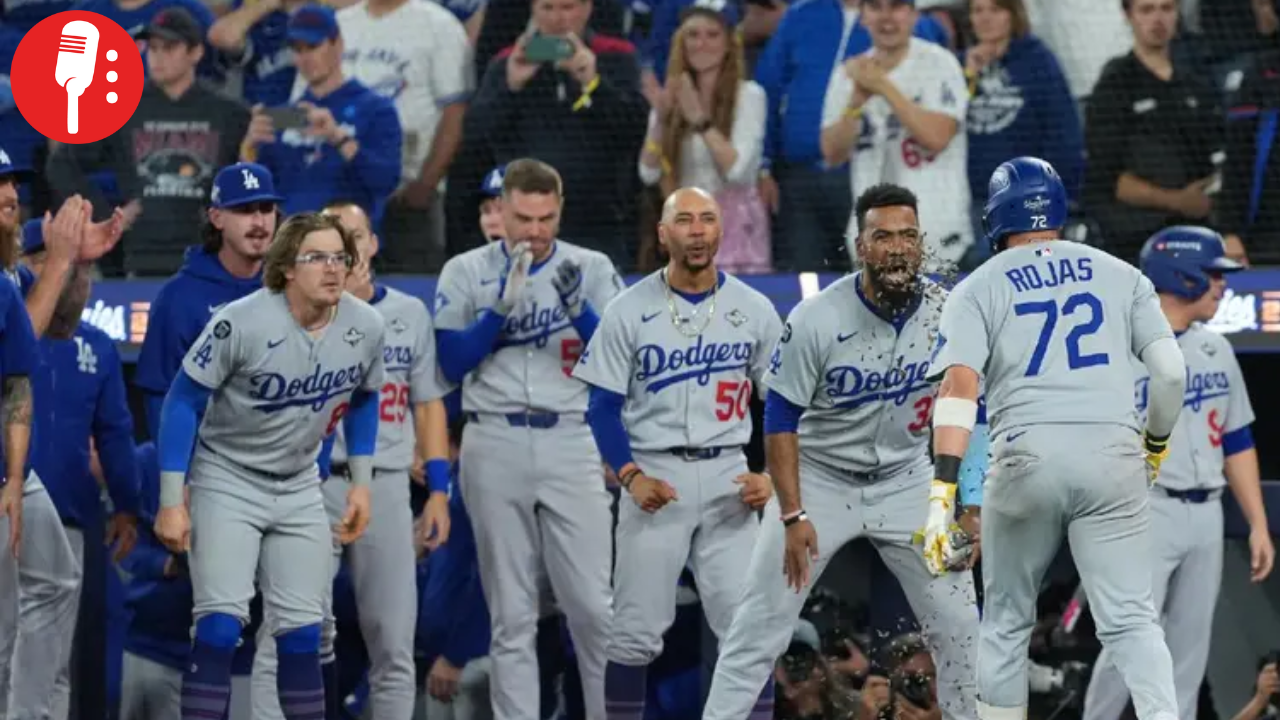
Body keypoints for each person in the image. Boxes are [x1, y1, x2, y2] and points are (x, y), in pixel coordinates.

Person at [698, 183, 981, 720]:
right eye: (883, 236)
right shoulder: (816, 318)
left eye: (907, 235)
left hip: (906, 481)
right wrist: (792, 512)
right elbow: (779, 419)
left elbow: (972, 408)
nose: (897, 247)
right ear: (860, 246)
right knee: (757, 631)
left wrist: (972, 506)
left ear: (920, 243)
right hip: (820, 482)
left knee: (962, 626)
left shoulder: (950, 311)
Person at [922, 156, 1186, 720]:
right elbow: (1170, 374)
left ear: (995, 217)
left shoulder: (977, 286)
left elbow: (959, 390)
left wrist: (943, 491)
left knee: (1006, 621)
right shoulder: (1122, 274)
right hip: (1113, 456)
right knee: (1133, 620)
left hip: (1025, 457)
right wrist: (1155, 446)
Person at [152, 212, 387, 720]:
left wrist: (362, 486)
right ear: (286, 269)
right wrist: (172, 499)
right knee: (218, 627)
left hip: (300, 480)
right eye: (317, 258)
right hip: (227, 476)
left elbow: (366, 397)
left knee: (303, 634)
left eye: (340, 258)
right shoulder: (241, 320)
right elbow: (181, 401)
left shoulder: (365, 324)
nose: (333, 269)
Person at [573, 187, 781, 720]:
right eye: (684, 220)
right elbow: (601, 407)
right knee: (634, 634)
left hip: (730, 477)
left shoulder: (754, 309)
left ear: (720, 229)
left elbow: (783, 405)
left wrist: (771, 478)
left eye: (707, 219)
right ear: (663, 233)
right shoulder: (629, 308)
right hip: (654, 475)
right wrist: (629, 474)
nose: (697, 230)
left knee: (746, 632)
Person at [432, 158, 624, 720]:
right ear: (501, 211)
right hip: (493, 439)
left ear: (559, 210)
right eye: (524, 217)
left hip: (570, 437)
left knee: (592, 607)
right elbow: (451, 361)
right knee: (511, 614)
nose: (536, 230)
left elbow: (622, 363)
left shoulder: (590, 267)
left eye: (547, 217)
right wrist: (498, 312)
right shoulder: (465, 271)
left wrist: (582, 314)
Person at [251, 199, 454, 720]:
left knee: (393, 642)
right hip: (311, 485)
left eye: (355, 238)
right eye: (332, 243)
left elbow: (428, 405)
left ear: (372, 243)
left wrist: (437, 490)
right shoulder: (295, 309)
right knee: (294, 629)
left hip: (385, 485)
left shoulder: (409, 312)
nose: (347, 251)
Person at [1082, 226, 1275, 720]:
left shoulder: (1217, 349)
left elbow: (1237, 441)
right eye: (1214, 275)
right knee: (1128, 643)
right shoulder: (1121, 348)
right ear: (1182, 274)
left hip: (1206, 513)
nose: (1222, 285)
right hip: (1147, 511)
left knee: (1189, 652)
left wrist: (1256, 523)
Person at [19, 219, 142, 720]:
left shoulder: (97, 345)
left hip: (68, 521)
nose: (78, 279)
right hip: (8, 515)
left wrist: (128, 505)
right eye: (67, 264)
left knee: (59, 664)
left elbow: (115, 432)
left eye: (85, 269)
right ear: (30, 266)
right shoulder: (13, 329)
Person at [133, 161, 282, 440]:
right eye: (244, 210)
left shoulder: (289, 287)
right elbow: (159, 396)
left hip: (282, 463)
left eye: (266, 209)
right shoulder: (179, 297)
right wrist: (177, 475)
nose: (259, 222)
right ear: (217, 218)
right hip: (210, 465)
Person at [118, 442, 260, 720]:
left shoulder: (261, 464)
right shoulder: (146, 460)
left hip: (238, 660)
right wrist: (166, 564)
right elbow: (120, 547)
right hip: (154, 646)